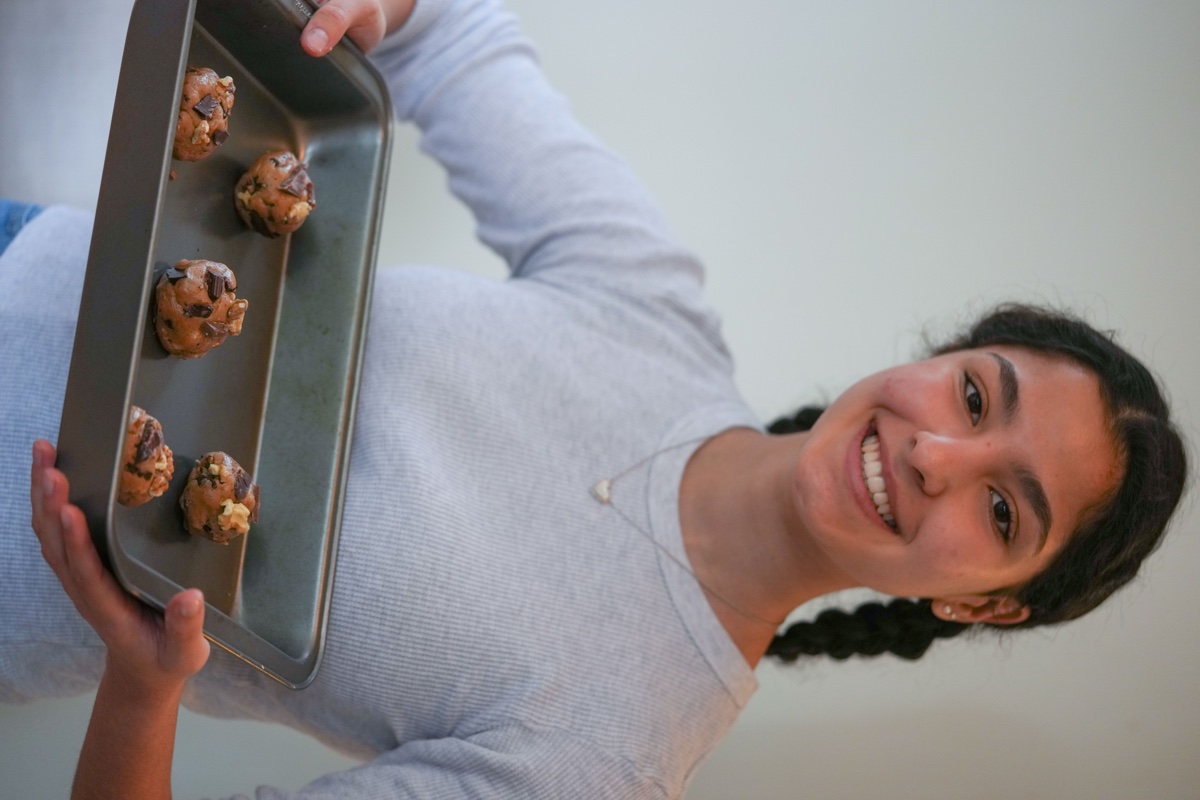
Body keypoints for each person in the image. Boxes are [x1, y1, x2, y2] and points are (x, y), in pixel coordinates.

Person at [2, 0, 1188, 797]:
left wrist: (144, 676)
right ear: (947, 354)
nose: (937, 453)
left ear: (986, 608)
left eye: (1002, 513)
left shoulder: (602, 759)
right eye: (977, 394)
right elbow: (451, 35)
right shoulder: (655, 313)